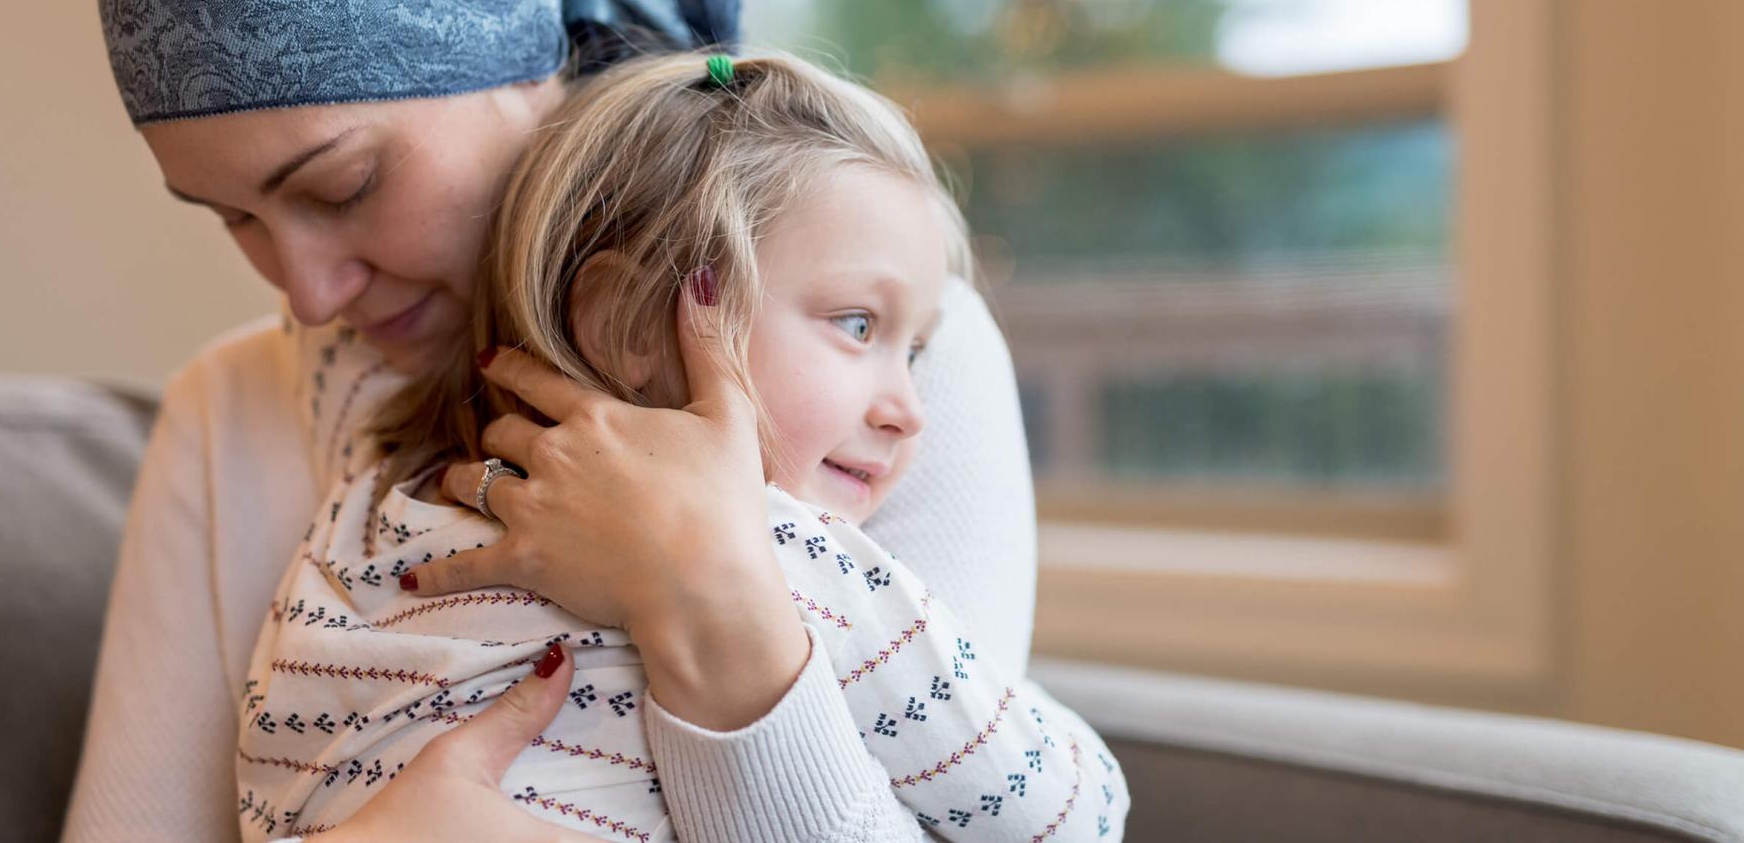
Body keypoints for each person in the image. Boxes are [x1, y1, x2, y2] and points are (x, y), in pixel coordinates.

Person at [64, 0, 1062, 841]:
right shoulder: (232, 407)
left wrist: (713, 599)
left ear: (532, 62)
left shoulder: (871, 356)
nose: (308, 293)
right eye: (231, 217)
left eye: (341, 187)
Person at [234, 52, 1130, 840]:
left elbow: (269, 796)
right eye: (857, 325)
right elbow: (1068, 815)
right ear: (625, 321)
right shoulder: (792, 554)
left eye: (919, 349)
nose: (910, 409)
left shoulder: (367, 517)